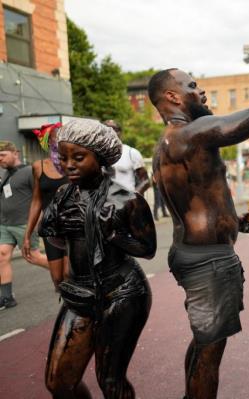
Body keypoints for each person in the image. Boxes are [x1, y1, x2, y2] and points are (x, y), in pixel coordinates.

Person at [148, 40, 249, 399]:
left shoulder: (170, 142)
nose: (200, 91)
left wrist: (233, 221)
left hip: (195, 252)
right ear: (172, 97)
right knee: (211, 351)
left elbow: (198, 200)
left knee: (204, 340)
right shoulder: (191, 133)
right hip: (208, 262)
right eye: (192, 85)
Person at [39, 119, 156, 398]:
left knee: (110, 381)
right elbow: (55, 238)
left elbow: (148, 249)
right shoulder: (63, 195)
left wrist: (113, 235)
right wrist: (57, 227)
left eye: (78, 157)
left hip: (122, 293)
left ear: (100, 157)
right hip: (79, 293)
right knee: (58, 382)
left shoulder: (127, 200)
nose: (68, 165)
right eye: (64, 157)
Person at [0, 141, 48, 310]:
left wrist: (37, 223)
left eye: (3, 155)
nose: (0, 159)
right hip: (5, 224)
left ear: (16, 153)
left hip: (24, 223)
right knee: (2, 256)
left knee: (33, 257)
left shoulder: (29, 171)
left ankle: (66, 276)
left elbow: (39, 198)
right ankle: (6, 297)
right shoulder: (5, 173)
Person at [23, 123, 69, 289]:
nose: (60, 140)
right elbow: (36, 201)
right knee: (58, 279)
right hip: (51, 229)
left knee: (69, 275)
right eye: (56, 136)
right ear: (48, 141)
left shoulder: (73, 163)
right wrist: (27, 235)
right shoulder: (38, 166)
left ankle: (78, 313)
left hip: (74, 226)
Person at [103, 120, 150, 195]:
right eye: (107, 129)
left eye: (115, 129)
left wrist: (133, 197)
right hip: (103, 203)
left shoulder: (131, 153)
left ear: (121, 133)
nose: (111, 132)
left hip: (126, 203)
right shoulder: (95, 155)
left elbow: (145, 181)